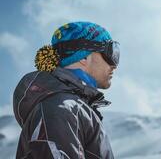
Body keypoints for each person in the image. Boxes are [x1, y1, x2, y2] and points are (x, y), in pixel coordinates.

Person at [13, 21, 120, 159]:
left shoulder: (73, 107)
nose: (114, 64)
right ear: (83, 57)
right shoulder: (61, 107)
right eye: (110, 52)